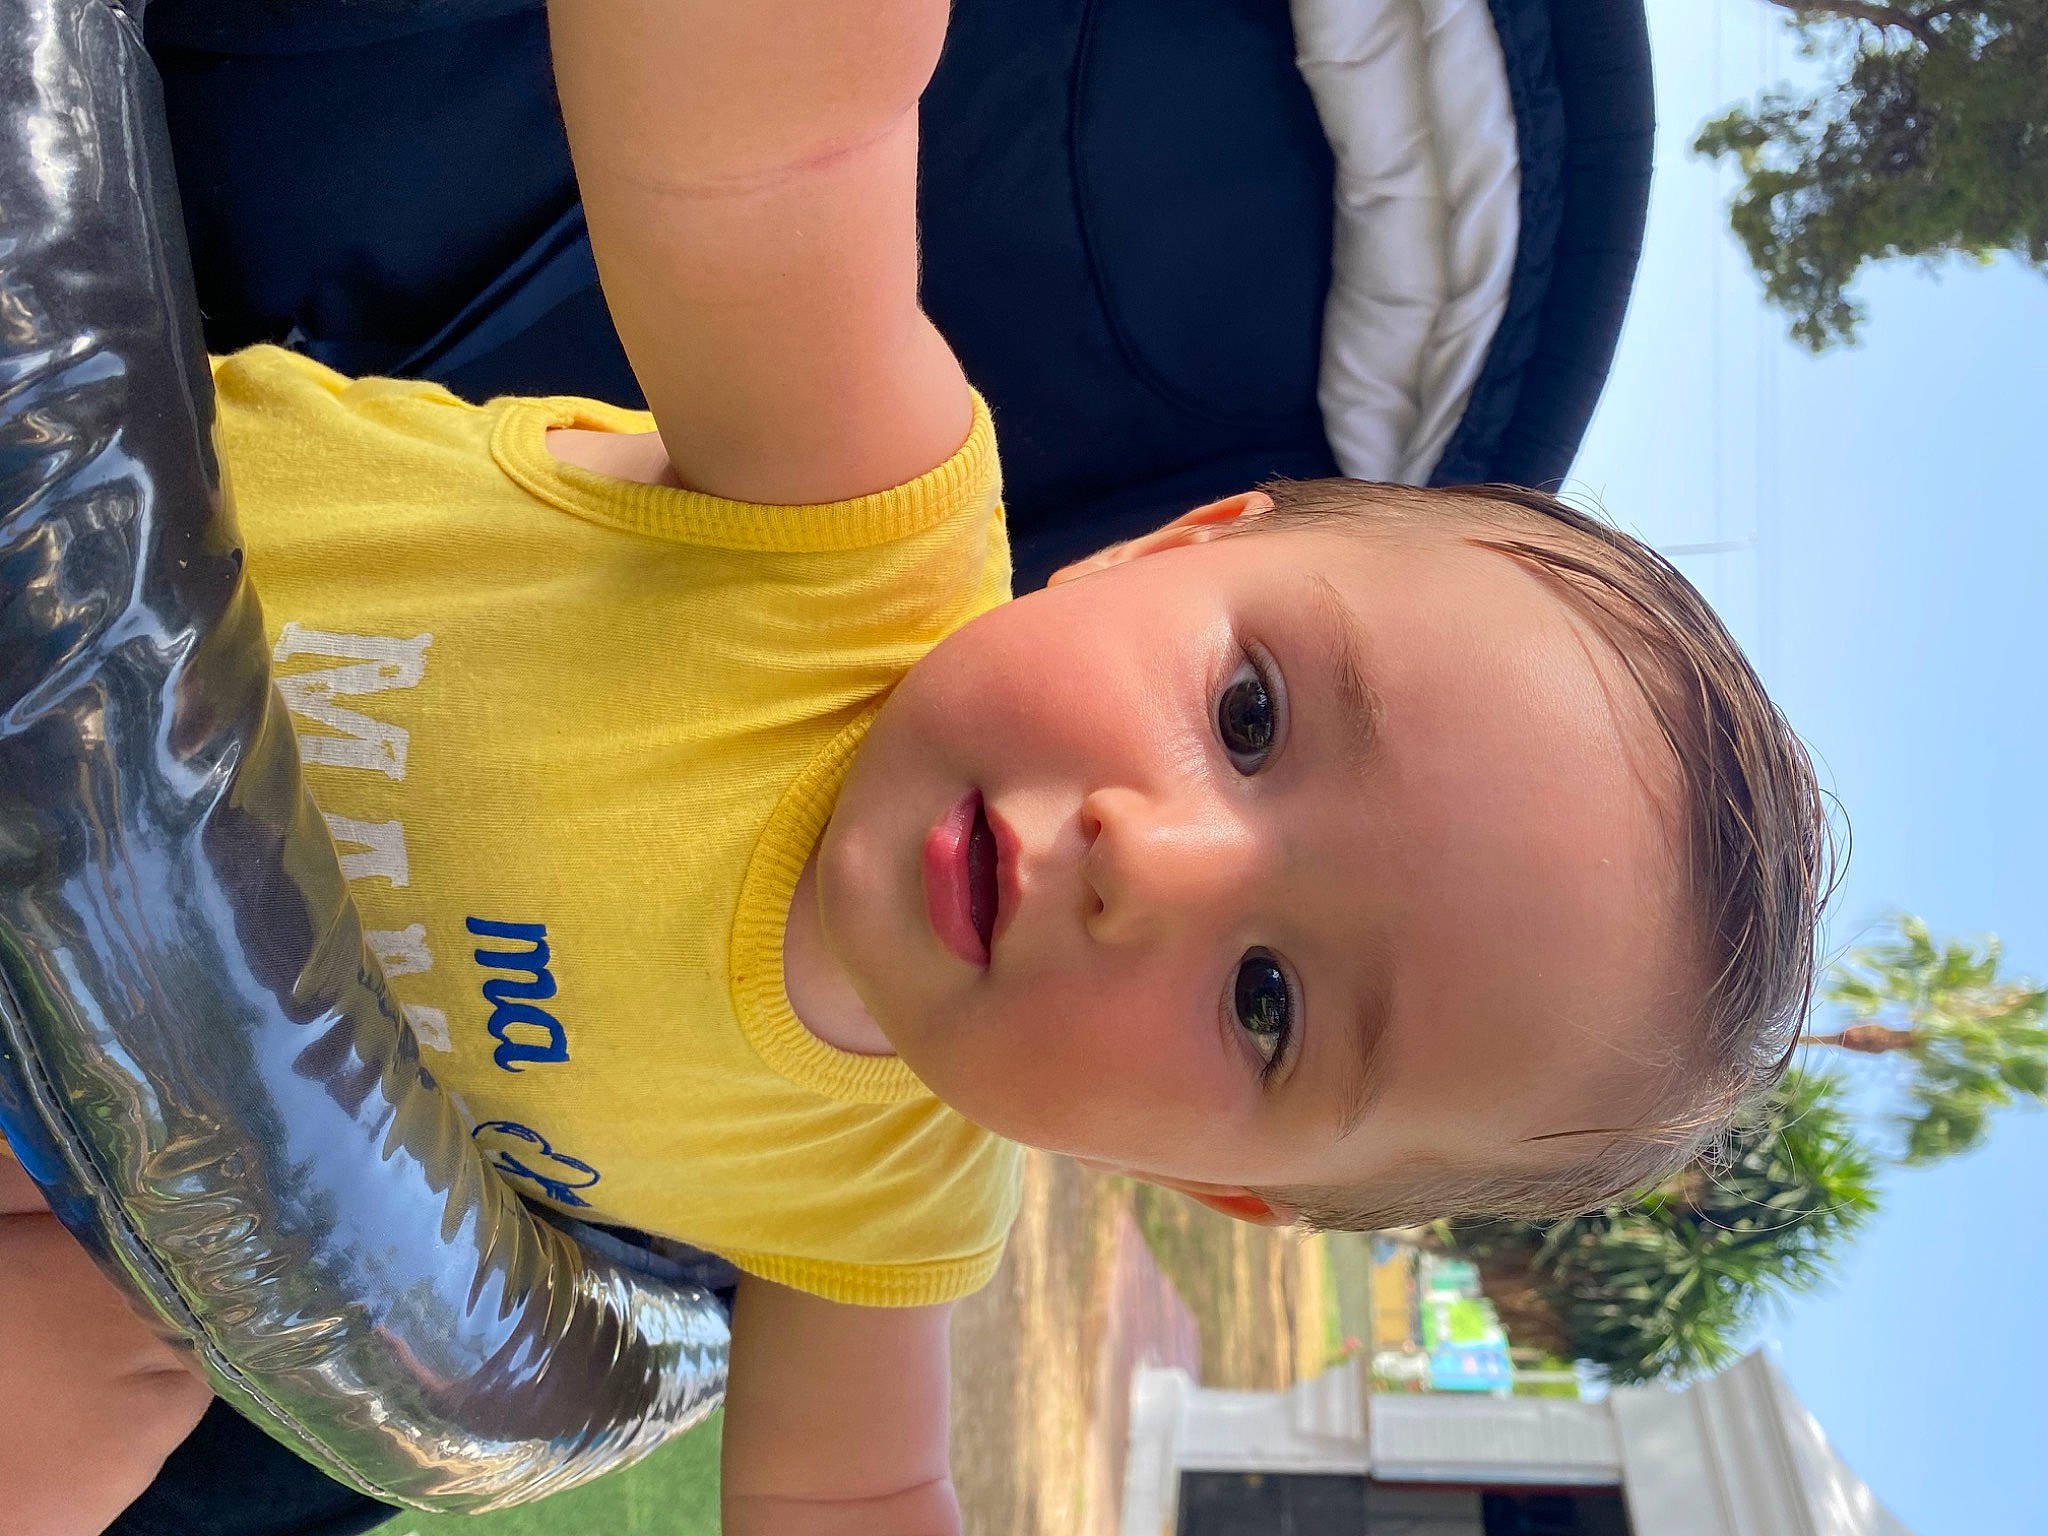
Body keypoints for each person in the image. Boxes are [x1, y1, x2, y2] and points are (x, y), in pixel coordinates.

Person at [0, 2, 1832, 1532]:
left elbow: (845, 1502)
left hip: (74, 1094)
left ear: (1221, 1186)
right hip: (46, 576)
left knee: (114, 1368)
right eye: (1251, 719)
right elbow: (761, 173)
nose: (1153, 865)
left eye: (1267, 1004)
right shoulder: (847, 528)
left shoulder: (878, 1202)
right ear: (1165, 549)